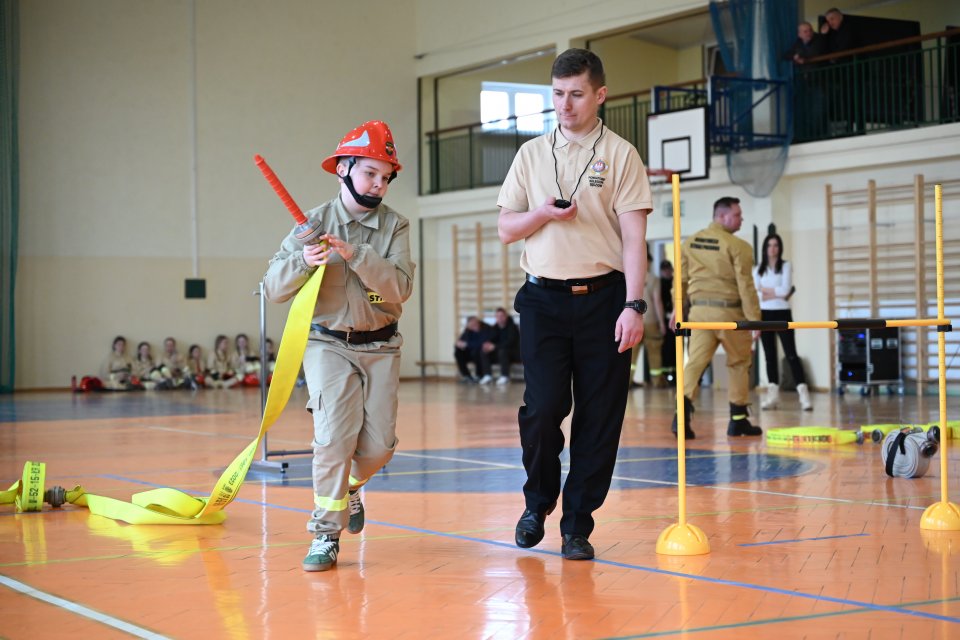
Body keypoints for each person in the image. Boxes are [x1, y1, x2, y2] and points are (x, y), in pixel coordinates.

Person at [497, 48, 652, 561]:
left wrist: (634, 304)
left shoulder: (623, 155)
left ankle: (577, 524)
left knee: (599, 417)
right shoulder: (530, 155)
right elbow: (506, 229)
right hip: (542, 299)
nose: (565, 104)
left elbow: (634, 240)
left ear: (599, 95)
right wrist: (541, 213)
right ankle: (536, 503)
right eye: (558, 94)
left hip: (605, 299)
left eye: (576, 94)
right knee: (542, 411)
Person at [263, 120, 414, 573]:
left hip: (382, 347)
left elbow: (400, 288)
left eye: (386, 176)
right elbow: (272, 288)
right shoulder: (312, 225)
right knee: (332, 439)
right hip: (328, 345)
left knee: (379, 447)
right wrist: (302, 262)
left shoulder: (395, 226)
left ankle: (351, 487)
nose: (379, 184)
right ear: (344, 169)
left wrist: (354, 254)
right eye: (371, 173)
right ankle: (325, 535)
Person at [670, 197, 762, 439]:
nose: (741, 219)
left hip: (699, 315)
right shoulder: (739, 246)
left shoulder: (690, 243)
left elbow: (679, 281)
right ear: (722, 216)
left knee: (694, 365)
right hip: (730, 314)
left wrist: (677, 310)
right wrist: (755, 320)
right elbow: (746, 286)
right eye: (738, 215)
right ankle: (738, 421)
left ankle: (680, 418)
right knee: (739, 363)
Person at [753, 233, 812, 411]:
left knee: (791, 354)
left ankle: (804, 395)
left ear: (780, 248)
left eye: (776, 245)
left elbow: (786, 289)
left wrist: (767, 292)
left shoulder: (786, 266)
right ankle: (773, 397)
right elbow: (756, 293)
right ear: (765, 248)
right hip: (764, 315)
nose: (773, 248)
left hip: (782, 313)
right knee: (769, 356)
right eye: (770, 245)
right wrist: (775, 292)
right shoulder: (757, 269)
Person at [783, 22, 828, 141]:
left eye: (810, 30)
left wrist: (803, 58)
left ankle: (818, 137)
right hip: (805, 82)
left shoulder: (819, 38)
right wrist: (796, 57)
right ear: (799, 34)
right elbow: (786, 55)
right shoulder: (798, 43)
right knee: (806, 111)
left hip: (818, 80)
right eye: (805, 31)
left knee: (818, 110)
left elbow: (817, 51)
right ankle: (808, 136)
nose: (809, 33)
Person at [630, 244, 667, 388]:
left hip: (633, 319)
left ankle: (628, 381)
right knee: (654, 352)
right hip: (650, 320)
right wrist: (662, 323)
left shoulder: (629, 276)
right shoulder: (653, 279)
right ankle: (657, 381)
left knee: (631, 354)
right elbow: (657, 302)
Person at [484, 307, 521, 385]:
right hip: (500, 353)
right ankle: (487, 375)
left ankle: (505, 376)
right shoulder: (494, 328)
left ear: (505, 317)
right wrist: (487, 344)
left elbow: (510, 343)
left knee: (503, 350)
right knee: (484, 351)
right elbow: (491, 339)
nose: (499, 318)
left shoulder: (513, 327)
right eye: (497, 316)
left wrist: (495, 347)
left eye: (501, 316)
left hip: (514, 353)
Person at [454, 316, 492, 384]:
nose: (473, 326)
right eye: (471, 325)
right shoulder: (468, 330)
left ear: (478, 322)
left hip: (482, 354)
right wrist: (458, 344)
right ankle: (466, 376)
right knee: (458, 352)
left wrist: (466, 344)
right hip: (470, 353)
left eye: (475, 324)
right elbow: (461, 341)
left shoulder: (486, 328)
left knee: (478, 350)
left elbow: (482, 344)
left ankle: (479, 375)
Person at [659, 260, 676, 382]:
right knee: (665, 348)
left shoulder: (675, 282)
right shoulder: (659, 284)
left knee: (676, 347)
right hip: (665, 319)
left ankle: (675, 375)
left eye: (668, 269)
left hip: (676, 318)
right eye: (664, 270)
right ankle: (665, 376)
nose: (666, 271)